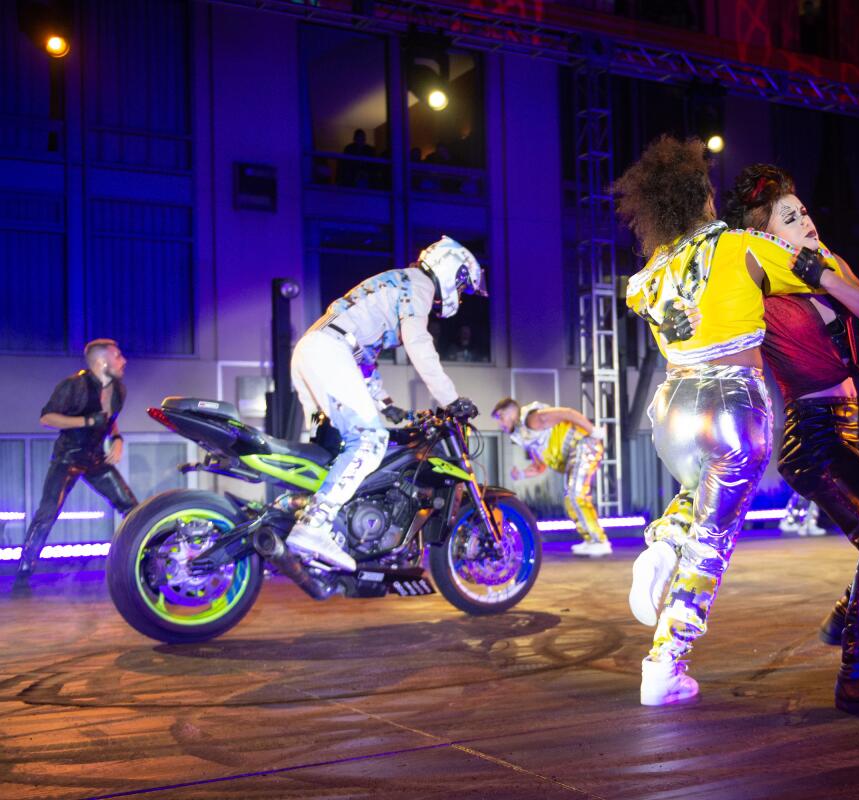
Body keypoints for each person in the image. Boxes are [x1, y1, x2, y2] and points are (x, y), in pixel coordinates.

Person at [614, 136, 821, 706]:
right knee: (714, 537)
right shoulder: (737, 245)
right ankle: (665, 663)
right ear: (703, 197)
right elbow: (817, 280)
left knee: (697, 492)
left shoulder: (653, 270)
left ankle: (659, 550)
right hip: (731, 402)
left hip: (673, 408)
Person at [725, 163, 859, 716]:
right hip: (811, 437)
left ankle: (845, 619)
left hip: (844, 431)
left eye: (805, 210)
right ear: (769, 235)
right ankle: (857, 675)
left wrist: (827, 276)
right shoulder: (756, 285)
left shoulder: (829, 262)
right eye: (791, 217)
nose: (807, 220)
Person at [289, 236, 484, 571]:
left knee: (336, 449)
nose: (460, 294)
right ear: (451, 268)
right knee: (370, 440)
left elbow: (364, 359)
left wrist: (389, 406)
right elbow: (418, 342)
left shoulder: (397, 283)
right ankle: (314, 525)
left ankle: (327, 529)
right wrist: (450, 399)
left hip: (316, 349)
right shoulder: (419, 284)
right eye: (463, 284)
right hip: (328, 350)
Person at [15, 339, 138, 586]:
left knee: (132, 508)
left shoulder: (119, 390)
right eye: (118, 356)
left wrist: (117, 438)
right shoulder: (74, 385)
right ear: (102, 361)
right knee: (47, 512)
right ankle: (24, 572)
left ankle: (143, 559)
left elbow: (109, 418)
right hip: (67, 457)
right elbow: (47, 418)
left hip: (94, 458)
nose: (123, 361)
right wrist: (85, 422)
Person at [493, 399, 610, 557]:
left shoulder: (532, 419)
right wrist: (520, 474)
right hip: (575, 452)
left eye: (500, 418)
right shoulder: (526, 435)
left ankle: (599, 542)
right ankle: (592, 540)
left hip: (584, 444)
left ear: (510, 413)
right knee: (571, 497)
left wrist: (593, 431)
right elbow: (540, 467)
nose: (501, 424)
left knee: (575, 495)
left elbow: (566, 413)